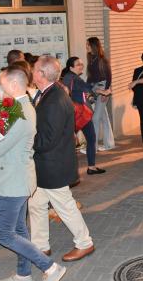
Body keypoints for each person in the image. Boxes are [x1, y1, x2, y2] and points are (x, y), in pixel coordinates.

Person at [0, 66, 66, 281]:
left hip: (12, 182)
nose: (0, 88)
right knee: (18, 229)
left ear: (13, 85)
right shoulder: (20, 107)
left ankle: (50, 267)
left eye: (2, 84)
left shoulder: (21, 114)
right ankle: (23, 275)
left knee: (5, 235)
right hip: (16, 178)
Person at [29, 56, 95, 262]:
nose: (31, 72)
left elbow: (48, 138)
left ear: (41, 74)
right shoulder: (46, 93)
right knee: (36, 203)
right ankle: (40, 245)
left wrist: (24, 143)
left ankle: (85, 243)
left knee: (64, 205)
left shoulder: (55, 99)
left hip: (52, 163)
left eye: (34, 70)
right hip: (45, 163)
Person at [62, 57, 105, 174]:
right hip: (79, 114)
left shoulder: (69, 78)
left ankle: (86, 167)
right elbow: (88, 88)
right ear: (71, 67)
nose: (81, 66)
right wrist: (101, 91)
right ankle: (88, 167)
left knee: (72, 141)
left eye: (81, 64)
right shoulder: (73, 78)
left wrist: (91, 96)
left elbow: (83, 93)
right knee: (88, 139)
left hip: (77, 114)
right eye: (78, 65)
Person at [86, 36, 115, 151]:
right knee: (104, 117)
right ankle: (109, 144)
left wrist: (105, 93)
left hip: (103, 87)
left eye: (88, 44)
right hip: (94, 88)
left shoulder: (102, 59)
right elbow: (90, 76)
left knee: (95, 118)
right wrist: (88, 89)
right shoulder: (91, 58)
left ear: (93, 46)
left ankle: (93, 146)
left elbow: (109, 76)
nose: (86, 47)